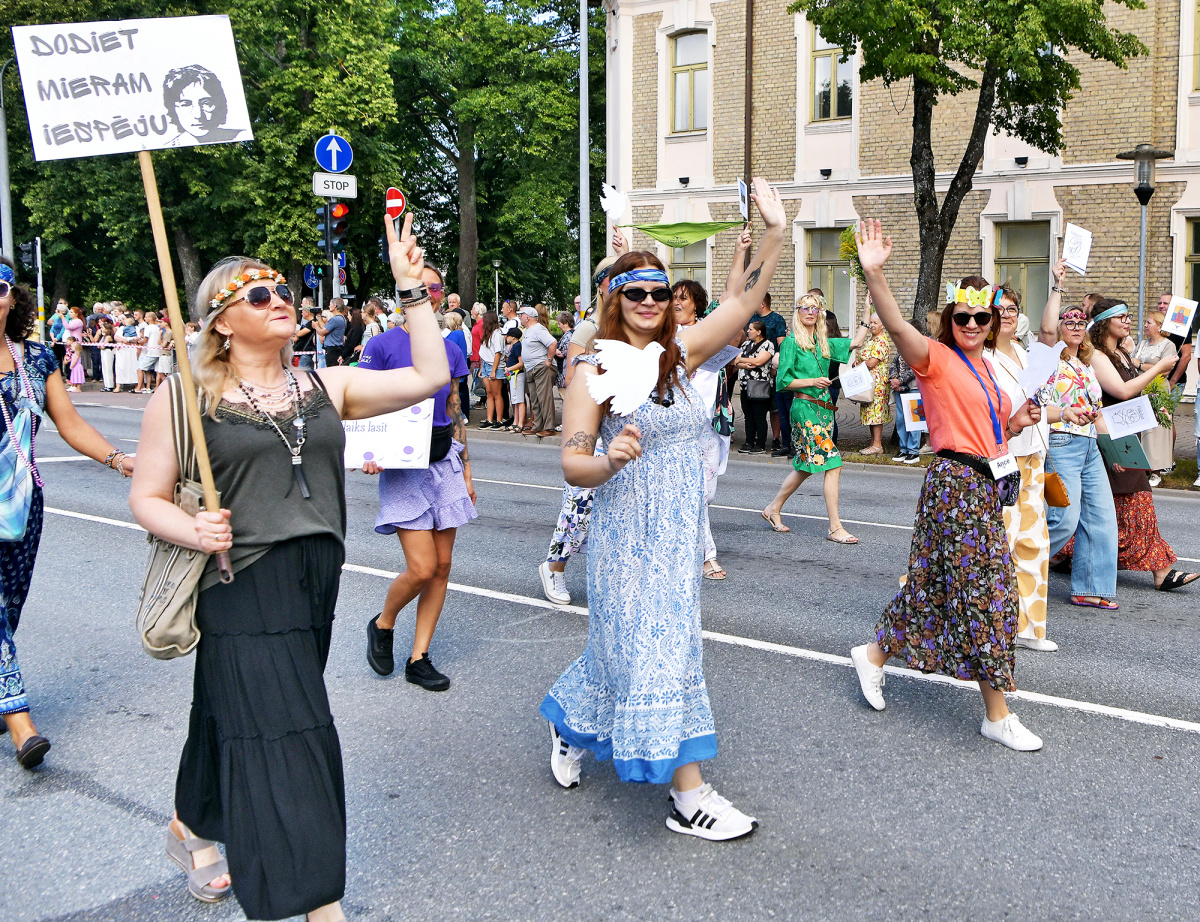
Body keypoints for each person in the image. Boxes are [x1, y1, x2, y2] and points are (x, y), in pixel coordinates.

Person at [129, 214, 449, 922]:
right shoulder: (184, 398)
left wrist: (411, 290)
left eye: (282, 291)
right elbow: (146, 498)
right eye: (259, 295)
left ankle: (191, 822)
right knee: (292, 732)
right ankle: (312, 902)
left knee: (235, 708)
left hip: (314, 581)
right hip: (239, 582)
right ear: (221, 323)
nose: (280, 300)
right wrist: (193, 526)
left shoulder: (326, 385)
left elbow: (431, 376)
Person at [540, 177, 786, 839]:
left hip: (678, 532)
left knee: (621, 653)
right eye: (636, 292)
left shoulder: (682, 355)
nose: (650, 301)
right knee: (660, 653)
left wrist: (776, 232)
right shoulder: (592, 371)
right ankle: (689, 795)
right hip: (627, 534)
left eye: (658, 291)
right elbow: (573, 462)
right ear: (615, 300)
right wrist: (609, 461)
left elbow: (744, 301)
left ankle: (569, 725)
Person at [848, 224, 1046, 752]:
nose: (973, 325)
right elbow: (895, 324)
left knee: (934, 587)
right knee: (991, 593)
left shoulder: (988, 368)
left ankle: (873, 654)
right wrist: (874, 273)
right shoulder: (935, 357)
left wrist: (1016, 421)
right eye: (963, 317)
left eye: (982, 317)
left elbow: (989, 430)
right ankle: (997, 714)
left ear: (993, 321)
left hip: (981, 484)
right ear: (949, 320)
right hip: (954, 486)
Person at [0, 258, 134, 770]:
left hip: (22, 505)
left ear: (13, 298)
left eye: (0, 287)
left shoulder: (35, 358)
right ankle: (21, 723)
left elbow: (70, 422)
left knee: (10, 608)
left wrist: (117, 459)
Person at [362, 288, 476, 693]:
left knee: (442, 566)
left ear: (439, 300)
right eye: (418, 290)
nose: (427, 297)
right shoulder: (381, 345)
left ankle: (418, 658)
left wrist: (467, 471)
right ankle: (383, 623)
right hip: (402, 466)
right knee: (422, 568)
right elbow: (362, 404)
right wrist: (368, 450)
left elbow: (454, 410)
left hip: (444, 460)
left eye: (433, 291)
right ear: (403, 298)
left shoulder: (450, 349)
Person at [1066, 299, 1196, 591]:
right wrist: (1160, 367)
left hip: (1125, 434)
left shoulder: (1122, 352)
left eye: (1128, 316)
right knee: (1136, 499)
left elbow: (1135, 391)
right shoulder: (1097, 355)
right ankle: (1162, 571)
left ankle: (1065, 552)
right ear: (1105, 322)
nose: (1128, 321)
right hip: (1108, 438)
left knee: (1115, 507)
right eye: (1121, 317)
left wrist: (1153, 404)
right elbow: (1122, 391)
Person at [536, 245, 624, 605]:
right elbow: (573, 377)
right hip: (592, 425)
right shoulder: (590, 326)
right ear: (602, 285)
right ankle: (554, 567)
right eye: (615, 279)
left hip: (620, 422)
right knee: (580, 502)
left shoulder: (629, 324)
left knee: (616, 504)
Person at [761, 292, 870, 541]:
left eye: (815, 308)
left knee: (806, 466)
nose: (810, 312)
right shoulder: (791, 342)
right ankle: (835, 528)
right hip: (804, 409)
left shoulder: (823, 342)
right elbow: (783, 381)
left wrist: (866, 310)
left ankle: (773, 508)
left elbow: (857, 342)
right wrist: (812, 381)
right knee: (833, 462)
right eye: (805, 308)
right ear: (798, 312)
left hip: (824, 410)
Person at [985, 277, 1057, 651]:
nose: (1007, 315)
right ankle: (933, 601)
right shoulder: (983, 359)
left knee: (1034, 543)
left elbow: (1039, 405)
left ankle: (1028, 628)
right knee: (997, 544)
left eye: (1012, 308)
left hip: (1032, 457)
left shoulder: (1024, 353)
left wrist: (1066, 413)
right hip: (1002, 459)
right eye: (999, 309)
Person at [1038, 298, 1120, 610]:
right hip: (1062, 442)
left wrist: (1113, 451)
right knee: (1064, 519)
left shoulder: (1086, 364)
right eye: (1068, 322)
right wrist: (1057, 286)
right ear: (1059, 327)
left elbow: (1097, 413)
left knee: (1102, 518)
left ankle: (1090, 587)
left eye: (1080, 322)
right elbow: (1047, 330)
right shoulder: (1049, 359)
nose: (1075, 327)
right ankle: (1013, 569)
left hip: (1090, 446)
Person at [674, 275, 732, 581]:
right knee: (694, 494)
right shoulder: (663, 335)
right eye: (673, 297)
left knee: (705, 495)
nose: (676, 303)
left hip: (709, 423)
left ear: (696, 304)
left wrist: (742, 253)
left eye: (683, 298)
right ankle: (707, 555)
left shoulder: (707, 333)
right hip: (678, 426)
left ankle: (680, 538)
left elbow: (732, 300)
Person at [1132, 307, 1177, 481]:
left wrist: (1140, 365)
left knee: (1156, 430)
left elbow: (1165, 370)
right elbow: (1131, 361)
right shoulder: (1142, 344)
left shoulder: (1168, 345)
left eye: (1149, 322)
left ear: (1159, 326)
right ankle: (1141, 468)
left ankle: (1156, 471)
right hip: (1140, 389)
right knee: (1142, 430)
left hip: (1157, 390)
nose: (1145, 325)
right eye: (1145, 322)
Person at [855, 306, 891, 454]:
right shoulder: (871, 339)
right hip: (868, 381)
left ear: (883, 325)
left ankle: (877, 445)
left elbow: (871, 363)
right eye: (871, 322)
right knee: (870, 413)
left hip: (877, 383)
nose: (872, 325)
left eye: (875, 323)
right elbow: (864, 360)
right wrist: (857, 363)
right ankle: (873, 443)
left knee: (876, 413)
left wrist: (860, 364)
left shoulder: (881, 341)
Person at [519, 305, 559, 437]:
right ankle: (538, 425)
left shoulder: (538, 329)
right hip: (531, 368)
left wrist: (548, 361)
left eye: (521, 315)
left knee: (544, 398)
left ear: (528, 317)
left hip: (540, 367)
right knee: (535, 398)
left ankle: (549, 427)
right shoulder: (528, 330)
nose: (520, 317)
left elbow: (552, 343)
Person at [735, 320, 774, 452]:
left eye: (751, 329)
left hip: (759, 386)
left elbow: (758, 361)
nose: (748, 331)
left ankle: (760, 444)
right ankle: (749, 442)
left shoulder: (768, 345)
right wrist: (744, 364)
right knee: (748, 415)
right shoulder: (746, 344)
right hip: (745, 386)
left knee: (759, 416)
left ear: (759, 332)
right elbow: (735, 362)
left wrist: (741, 360)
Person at [887, 329, 921, 462]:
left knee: (913, 421)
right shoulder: (901, 347)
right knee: (901, 420)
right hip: (900, 389)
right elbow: (893, 364)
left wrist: (899, 380)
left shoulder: (917, 348)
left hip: (913, 388)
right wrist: (893, 378)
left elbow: (915, 368)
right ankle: (903, 449)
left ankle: (914, 451)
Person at [477, 312, 505, 429]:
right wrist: (481, 368)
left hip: (494, 365)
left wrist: (493, 370)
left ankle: (499, 420)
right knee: (489, 393)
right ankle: (489, 419)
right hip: (486, 364)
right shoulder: (488, 334)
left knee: (496, 394)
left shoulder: (497, 334)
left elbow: (498, 353)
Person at [503, 326, 526, 431]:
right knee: (515, 400)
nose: (506, 338)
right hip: (512, 375)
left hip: (517, 375)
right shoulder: (514, 346)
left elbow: (521, 363)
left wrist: (509, 368)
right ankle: (515, 422)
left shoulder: (517, 346)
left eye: (508, 336)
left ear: (513, 337)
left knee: (519, 400)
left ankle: (520, 423)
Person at [316, 300, 347, 367]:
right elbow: (325, 328)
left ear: (335, 306)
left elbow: (322, 332)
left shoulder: (335, 319)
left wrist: (315, 326)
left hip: (332, 349)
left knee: (331, 368)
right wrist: (319, 316)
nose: (329, 306)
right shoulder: (342, 318)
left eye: (330, 304)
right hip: (337, 348)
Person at [115, 313, 140, 392]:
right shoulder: (121, 328)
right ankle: (118, 385)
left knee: (133, 366)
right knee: (120, 366)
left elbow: (138, 338)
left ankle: (136, 384)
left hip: (132, 349)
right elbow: (116, 337)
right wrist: (123, 340)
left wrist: (129, 340)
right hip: (122, 350)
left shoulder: (136, 328)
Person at [138, 310, 162, 393]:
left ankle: (139, 387)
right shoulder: (157, 328)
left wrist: (139, 342)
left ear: (150, 318)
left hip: (151, 351)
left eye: (146, 317)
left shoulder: (148, 328)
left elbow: (145, 340)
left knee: (140, 369)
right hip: (158, 350)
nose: (145, 318)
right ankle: (157, 387)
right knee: (158, 370)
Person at [295, 304, 317, 370]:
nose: (301, 314)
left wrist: (294, 331)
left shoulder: (312, 323)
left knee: (302, 373)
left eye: (302, 312)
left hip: (307, 352)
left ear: (307, 313)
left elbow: (300, 333)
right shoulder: (309, 323)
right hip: (306, 352)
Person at [98, 319, 116, 391]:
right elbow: (99, 345)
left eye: (103, 328)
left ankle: (110, 385)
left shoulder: (108, 337)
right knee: (104, 368)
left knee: (108, 368)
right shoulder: (104, 336)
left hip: (108, 352)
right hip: (103, 352)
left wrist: (101, 345)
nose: (101, 329)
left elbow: (103, 346)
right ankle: (106, 384)